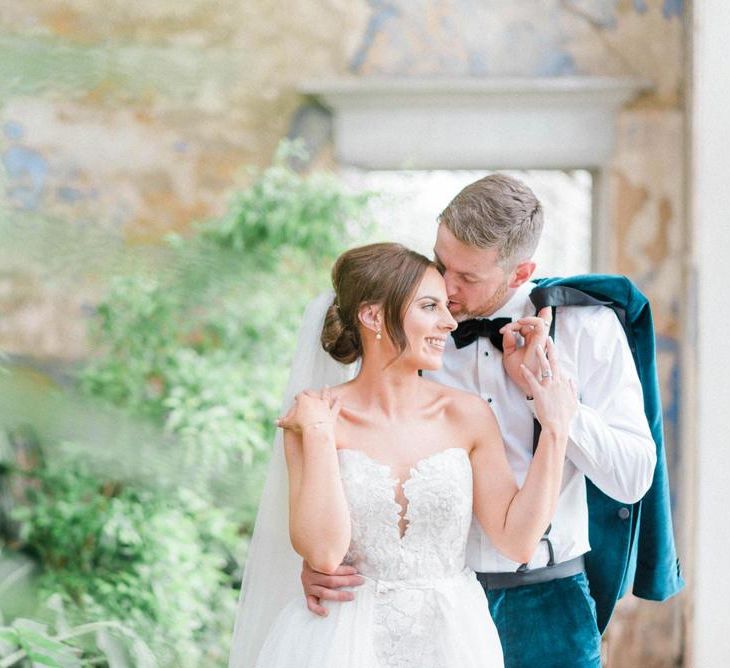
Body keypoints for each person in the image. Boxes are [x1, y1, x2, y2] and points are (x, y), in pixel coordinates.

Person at [300, 175, 659, 668]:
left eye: (466, 277)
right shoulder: (411, 327)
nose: (445, 289)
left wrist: (553, 402)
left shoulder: (587, 330)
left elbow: (633, 479)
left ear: (520, 272)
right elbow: (347, 455)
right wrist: (318, 563)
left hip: (547, 596)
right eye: (441, 261)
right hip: (423, 609)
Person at [248, 242, 577, 667]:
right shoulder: (313, 417)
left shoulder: (466, 414)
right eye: (429, 306)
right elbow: (325, 554)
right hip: (340, 642)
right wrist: (318, 435)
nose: (448, 321)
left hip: (451, 640)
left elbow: (517, 541)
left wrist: (556, 429)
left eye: (445, 307)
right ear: (372, 316)